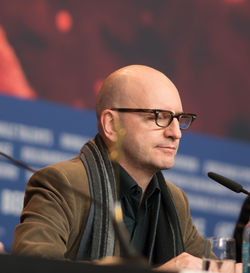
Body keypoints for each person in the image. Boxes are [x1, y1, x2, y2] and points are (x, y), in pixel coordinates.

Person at [12, 65, 213, 271]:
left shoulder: (174, 199)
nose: (176, 133)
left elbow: (210, 266)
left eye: (179, 119)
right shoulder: (61, 183)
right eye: (159, 116)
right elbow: (33, 266)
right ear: (111, 125)